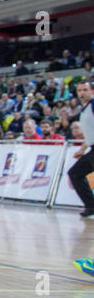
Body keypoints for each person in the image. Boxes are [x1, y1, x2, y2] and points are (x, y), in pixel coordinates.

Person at [67, 80, 94, 232]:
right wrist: (82, 149)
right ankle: (91, 206)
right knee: (75, 173)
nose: (82, 93)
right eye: (79, 90)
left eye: (85, 89)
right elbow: (91, 133)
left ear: (92, 91)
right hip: (92, 149)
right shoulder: (84, 110)